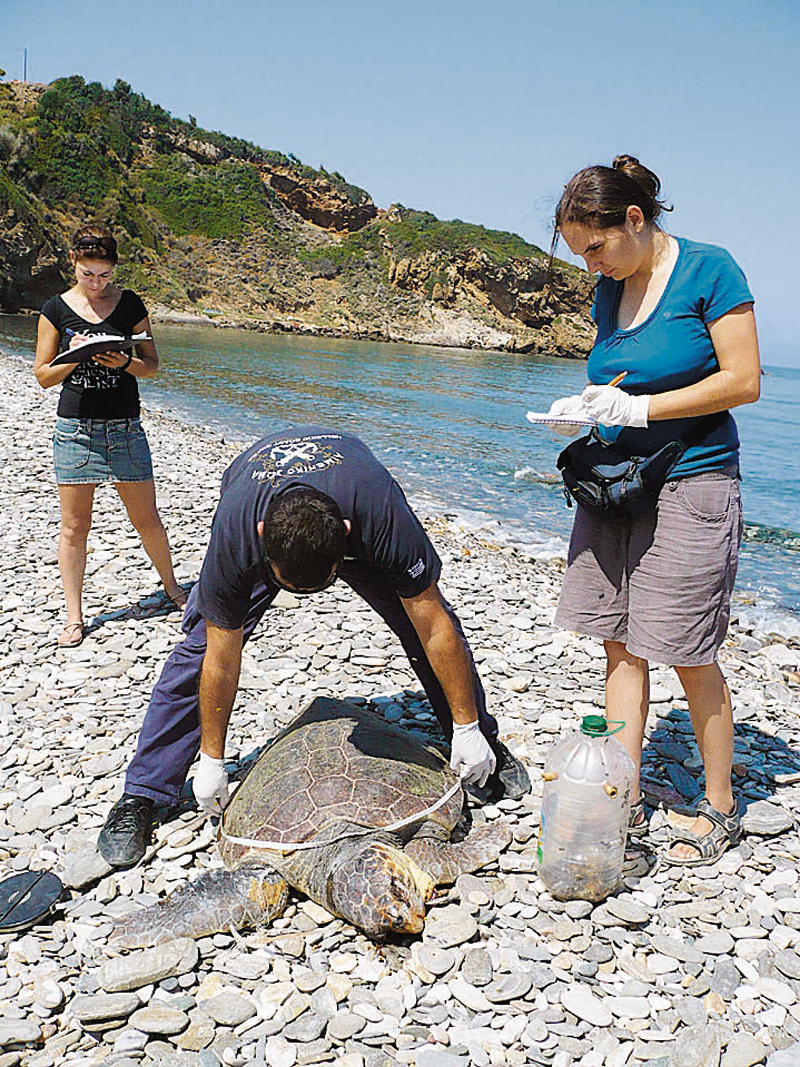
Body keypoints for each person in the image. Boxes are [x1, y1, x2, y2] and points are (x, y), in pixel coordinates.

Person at [98, 426, 531, 868]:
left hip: (347, 501)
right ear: (262, 538)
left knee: (419, 622)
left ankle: (483, 744)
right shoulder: (239, 532)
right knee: (195, 652)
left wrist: (468, 728)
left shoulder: (378, 512)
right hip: (259, 497)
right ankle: (145, 791)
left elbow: (435, 626)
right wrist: (212, 758)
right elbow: (220, 657)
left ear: (347, 536)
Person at [547, 155, 760, 866]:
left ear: (634, 219)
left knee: (687, 651)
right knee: (619, 643)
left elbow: (744, 380)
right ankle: (622, 798)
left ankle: (721, 807)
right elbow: (614, 379)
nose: (592, 266)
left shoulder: (709, 270)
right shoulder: (609, 291)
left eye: (597, 247)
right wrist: (585, 410)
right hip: (618, 484)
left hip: (693, 482)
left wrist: (639, 406)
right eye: (582, 255)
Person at [35, 225, 186, 647]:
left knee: (147, 518)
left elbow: (152, 365)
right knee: (73, 527)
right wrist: (74, 354)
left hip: (125, 428)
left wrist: (123, 363)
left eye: (104, 275)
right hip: (76, 430)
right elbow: (44, 376)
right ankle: (74, 616)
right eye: (89, 275)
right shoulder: (55, 309)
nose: (97, 284)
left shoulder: (131, 304)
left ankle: (173, 587)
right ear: (74, 264)